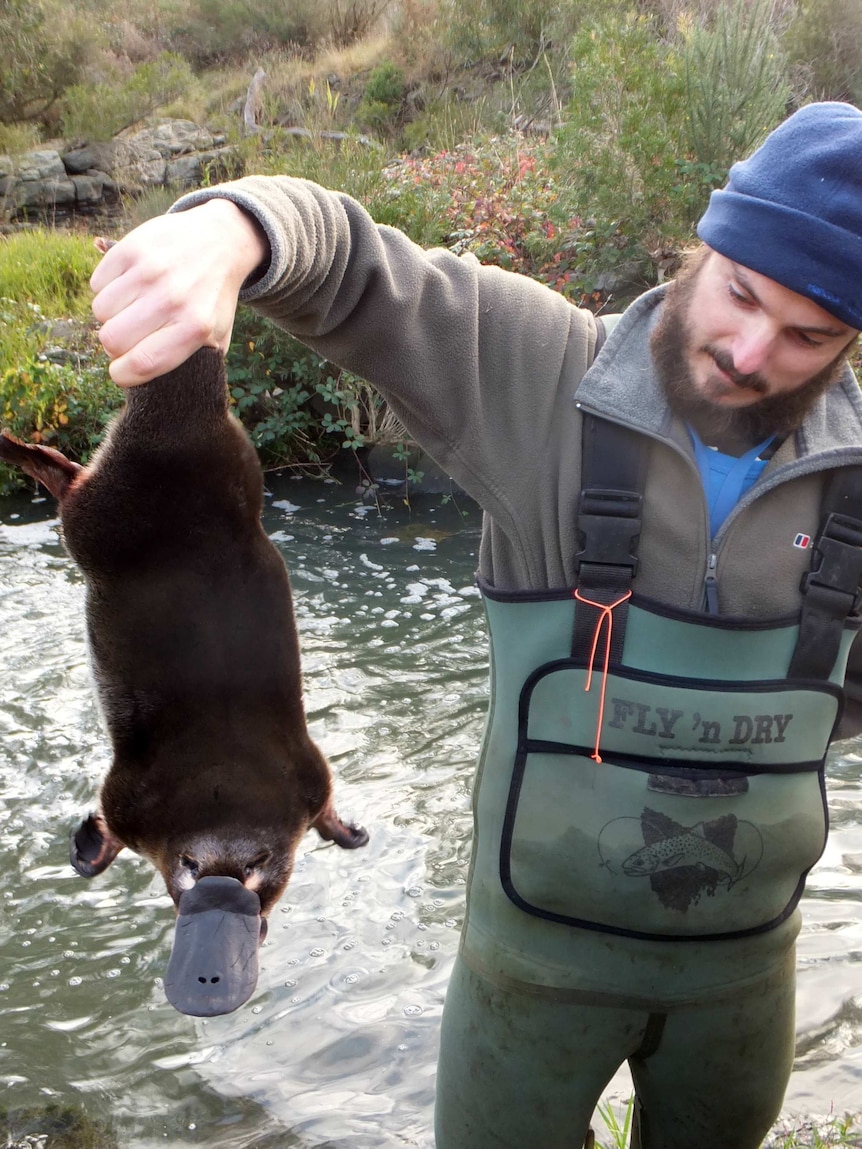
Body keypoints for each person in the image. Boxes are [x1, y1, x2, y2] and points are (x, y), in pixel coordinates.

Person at [89, 101, 862, 1148]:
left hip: (744, 985)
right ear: (704, 243)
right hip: (529, 983)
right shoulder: (546, 385)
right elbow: (356, 269)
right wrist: (230, 231)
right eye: (739, 293)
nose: (748, 349)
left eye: (808, 335)